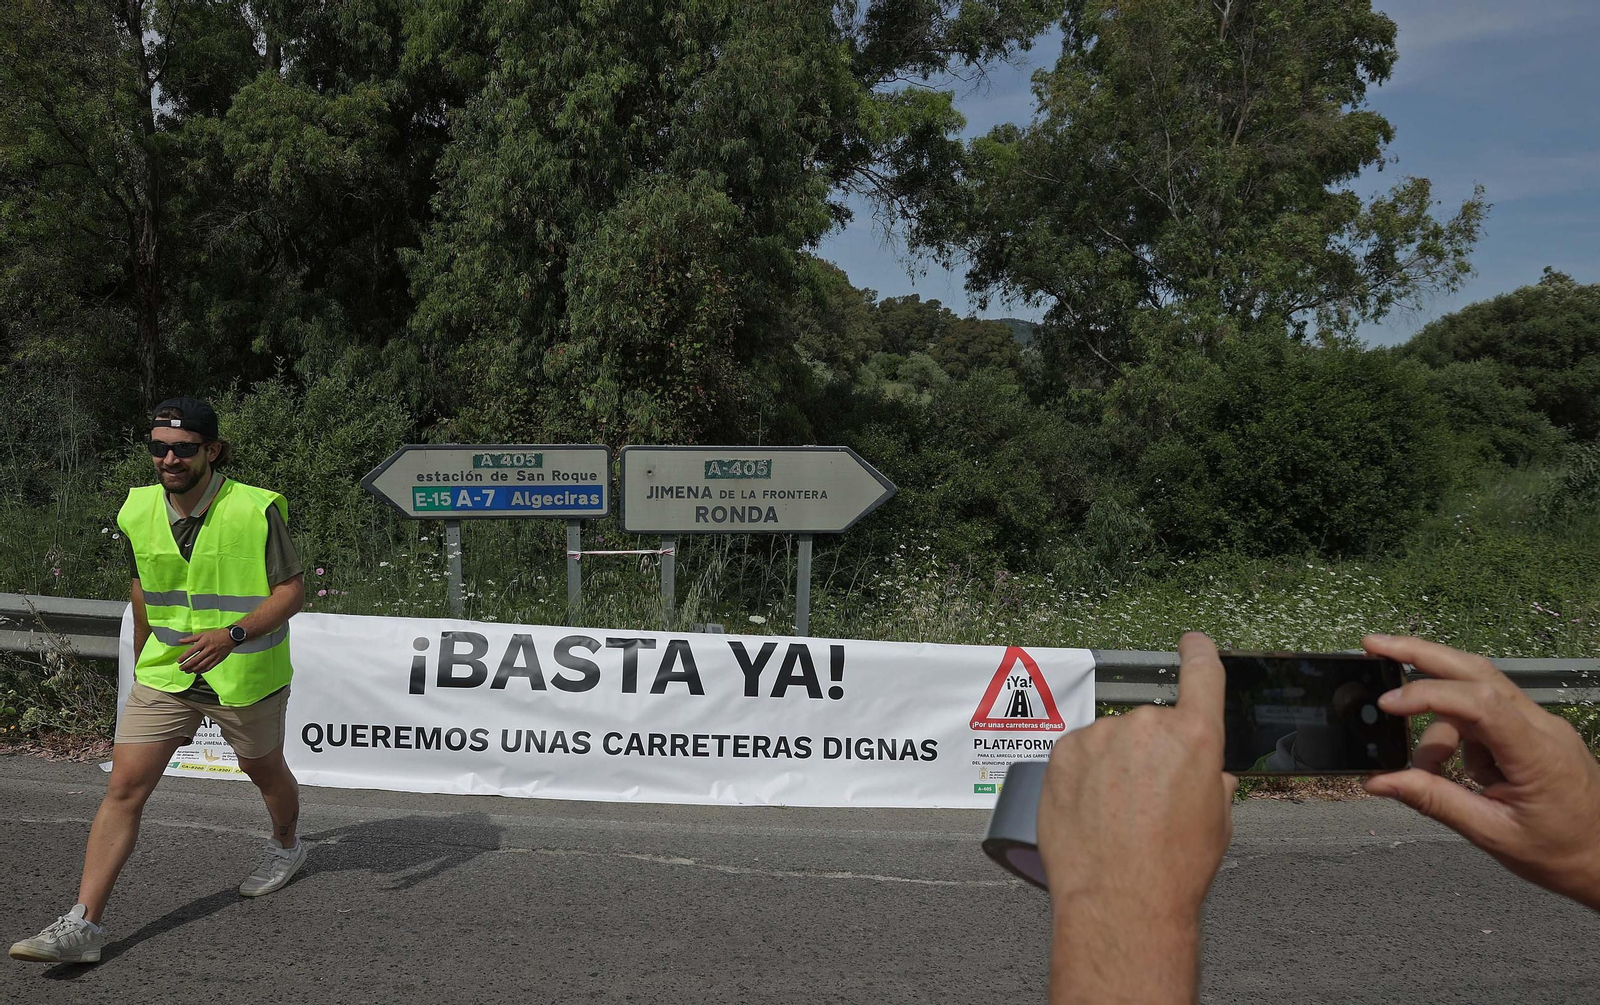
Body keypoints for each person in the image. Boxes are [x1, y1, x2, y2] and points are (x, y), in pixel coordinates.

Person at [1036, 631, 1600, 1004]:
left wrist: (1123, 906)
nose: (1339, 725)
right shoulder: (1279, 752)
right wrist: (1588, 849)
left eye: (1356, 717)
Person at [9, 397, 308, 965]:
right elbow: (145, 586)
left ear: (212, 451)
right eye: (159, 447)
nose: (169, 458)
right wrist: (147, 657)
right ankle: (84, 925)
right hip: (168, 672)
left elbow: (291, 592)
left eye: (184, 448)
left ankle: (287, 845)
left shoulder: (254, 509)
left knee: (264, 773)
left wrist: (233, 637)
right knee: (124, 787)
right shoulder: (138, 509)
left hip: (243, 671)